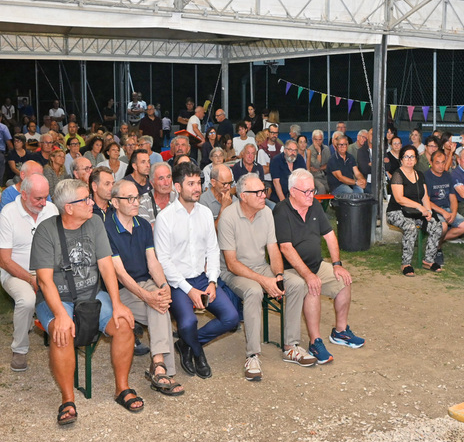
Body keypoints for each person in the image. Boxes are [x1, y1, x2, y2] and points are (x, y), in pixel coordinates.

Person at [31, 179, 140, 420]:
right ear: (68, 207)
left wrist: (118, 303)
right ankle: (67, 400)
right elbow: (45, 280)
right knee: (61, 334)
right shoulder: (46, 230)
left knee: (123, 325)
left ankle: (122, 388)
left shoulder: (95, 223)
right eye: (85, 199)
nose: (92, 202)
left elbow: (106, 265)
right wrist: (60, 314)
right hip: (57, 298)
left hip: (91, 294)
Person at [220, 173, 316, 380]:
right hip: (234, 272)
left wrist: (279, 276)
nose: (264, 195)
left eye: (264, 190)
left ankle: (291, 346)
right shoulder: (228, 217)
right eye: (258, 192)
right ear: (243, 196)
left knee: (297, 284)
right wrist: (264, 281)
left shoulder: (266, 213)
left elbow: (274, 251)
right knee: (254, 290)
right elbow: (231, 263)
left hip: (260, 267)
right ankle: (252, 355)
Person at [154, 162, 240, 379]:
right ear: (177, 187)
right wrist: (188, 289)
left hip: (202, 278)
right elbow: (163, 261)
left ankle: (186, 343)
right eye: (190, 183)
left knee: (231, 318)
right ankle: (198, 352)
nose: (196, 188)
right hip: (177, 283)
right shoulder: (165, 218)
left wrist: (212, 280)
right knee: (188, 321)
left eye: (199, 182)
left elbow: (212, 250)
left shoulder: (204, 213)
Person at [274, 169, 364, 364]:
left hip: (316, 264)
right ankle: (315, 341)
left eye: (312, 190)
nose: (311, 195)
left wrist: (337, 264)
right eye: (306, 191)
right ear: (292, 191)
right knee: (313, 286)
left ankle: (340, 331)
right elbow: (285, 248)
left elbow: (330, 235)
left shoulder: (314, 205)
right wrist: (307, 275)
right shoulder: (281, 211)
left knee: (343, 279)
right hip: (291, 269)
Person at [105, 179, 184, 396]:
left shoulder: (143, 225)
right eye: (128, 198)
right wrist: (147, 296)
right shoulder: (106, 228)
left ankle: (158, 366)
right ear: (114, 202)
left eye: (137, 197)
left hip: (145, 282)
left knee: (159, 302)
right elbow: (120, 273)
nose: (135, 202)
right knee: (159, 306)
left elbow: (153, 261)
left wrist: (163, 285)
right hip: (122, 289)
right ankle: (161, 368)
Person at [0, 174, 58, 372]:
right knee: (27, 300)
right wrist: (31, 279)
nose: (43, 203)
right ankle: (19, 349)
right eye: (38, 198)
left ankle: (66, 336)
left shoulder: (51, 209)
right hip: (15, 272)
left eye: (46, 197)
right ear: (23, 194)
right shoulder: (8, 213)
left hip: (46, 269)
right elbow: (4, 260)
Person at [386, 145, 443, 276]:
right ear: (401, 159)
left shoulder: (420, 175)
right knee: (410, 226)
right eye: (406, 156)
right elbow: (400, 199)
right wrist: (420, 207)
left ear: (416, 159)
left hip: (416, 212)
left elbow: (424, 196)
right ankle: (406, 263)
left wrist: (428, 211)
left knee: (436, 225)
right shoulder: (397, 175)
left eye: (412, 156)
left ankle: (428, 260)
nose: (409, 159)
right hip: (396, 211)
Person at [424, 151, 464, 266]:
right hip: (433, 210)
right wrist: (443, 212)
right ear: (431, 163)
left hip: (447, 209)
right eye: (437, 163)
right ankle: (438, 248)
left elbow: (452, 197)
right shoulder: (426, 177)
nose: (441, 166)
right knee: (443, 226)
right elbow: (426, 201)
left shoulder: (447, 175)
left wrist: (453, 213)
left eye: (443, 162)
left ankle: (435, 241)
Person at [138, 162, 177, 226]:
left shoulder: (179, 198)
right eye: (161, 179)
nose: (167, 183)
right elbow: (147, 230)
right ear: (152, 183)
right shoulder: (143, 201)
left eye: (168, 177)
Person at [308, 129, 330, 194]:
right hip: (315, 177)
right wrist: (319, 152)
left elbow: (329, 165)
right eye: (316, 139)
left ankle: (331, 203)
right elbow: (317, 164)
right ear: (312, 140)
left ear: (323, 140)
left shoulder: (326, 149)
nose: (318, 142)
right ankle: (319, 204)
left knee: (334, 186)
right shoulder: (309, 150)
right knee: (321, 188)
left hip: (325, 176)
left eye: (320, 139)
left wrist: (319, 168)